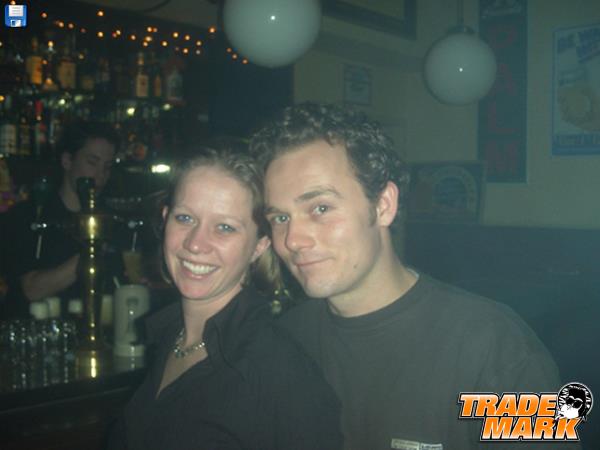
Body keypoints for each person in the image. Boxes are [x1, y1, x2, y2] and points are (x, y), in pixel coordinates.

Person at [250, 103, 577, 450]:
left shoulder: (492, 346)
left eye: (320, 208)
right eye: (280, 218)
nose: (293, 240)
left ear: (383, 205)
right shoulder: (285, 341)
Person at [107, 142, 342, 450]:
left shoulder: (279, 372)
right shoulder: (168, 337)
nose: (195, 244)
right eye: (185, 218)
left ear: (259, 246)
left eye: (225, 228)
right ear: (165, 220)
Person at [1, 120, 118, 318]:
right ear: (67, 161)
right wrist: (92, 252)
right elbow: (31, 289)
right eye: (92, 162)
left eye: (107, 167)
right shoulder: (27, 215)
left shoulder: (111, 219)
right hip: (38, 333)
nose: (100, 175)